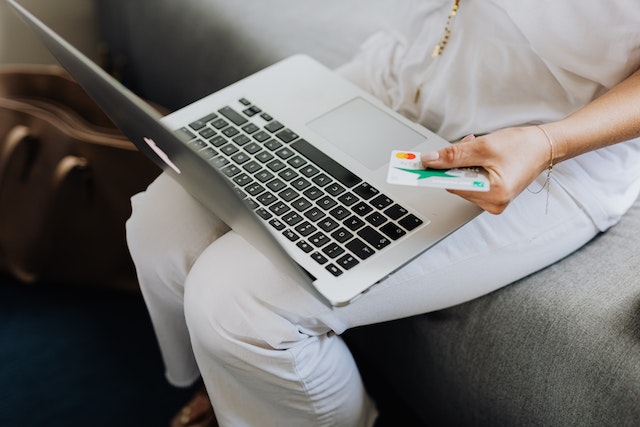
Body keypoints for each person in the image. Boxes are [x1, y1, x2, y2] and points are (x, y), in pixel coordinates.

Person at [125, 1, 640, 426]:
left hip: (536, 145)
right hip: (396, 75)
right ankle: (232, 391)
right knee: (160, 226)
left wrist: (550, 142)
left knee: (236, 304)